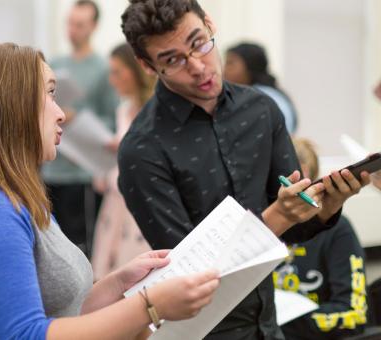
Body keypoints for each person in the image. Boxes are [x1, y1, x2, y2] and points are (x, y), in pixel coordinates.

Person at [0, 43, 220, 339]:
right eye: (50, 94)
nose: (61, 113)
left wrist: (118, 284)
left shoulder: (11, 197)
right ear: (10, 106)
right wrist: (149, 306)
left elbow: (62, 314)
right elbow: (27, 335)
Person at [118, 1, 370, 339]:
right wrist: (276, 217)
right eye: (173, 60)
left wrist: (328, 206)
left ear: (210, 24)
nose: (197, 67)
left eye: (199, 43)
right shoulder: (143, 148)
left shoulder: (261, 111)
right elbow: (189, 275)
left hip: (269, 322)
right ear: (147, 66)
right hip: (205, 331)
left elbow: (296, 230)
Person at [42, 0, 119, 256]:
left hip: (82, 175)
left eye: (79, 24)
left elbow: (113, 120)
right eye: (69, 23)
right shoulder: (54, 63)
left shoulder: (104, 69)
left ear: (93, 27)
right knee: (49, 245)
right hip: (51, 170)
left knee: (79, 246)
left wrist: (79, 117)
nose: (72, 30)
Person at [273, 138, 368, 339]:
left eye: (306, 185)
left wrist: (278, 325)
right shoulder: (262, 224)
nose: (297, 194)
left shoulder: (338, 230)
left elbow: (355, 314)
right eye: (290, 184)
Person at [91, 43, 155, 280]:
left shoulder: (154, 111)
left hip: (137, 207)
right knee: (107, 273)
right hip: (114, 202)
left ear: (136, 70)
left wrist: (126, 149)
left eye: (117, 72)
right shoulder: (124, 109)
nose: (112, 79)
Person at [224, 42, 298, 134]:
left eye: (230, 63)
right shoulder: (271, 93)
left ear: (249, 66)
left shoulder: (258, 98)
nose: (224, 70)